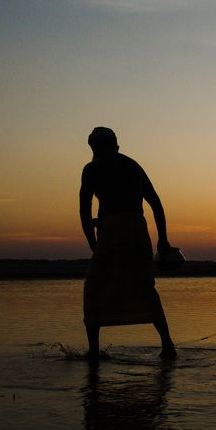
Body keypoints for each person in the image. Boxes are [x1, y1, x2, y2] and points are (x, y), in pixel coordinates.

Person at [79, 127, 176, 362]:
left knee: (95, 287)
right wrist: (162, 240)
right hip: (137, 229)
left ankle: (93, 351)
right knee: (144, 285)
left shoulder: (92, 168)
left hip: (112, 230)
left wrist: (92, 242)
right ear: (115, 145)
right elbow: (156, 204)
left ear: (96, 147)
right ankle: (168, 345)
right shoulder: (133, 165)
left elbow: (84, 209)